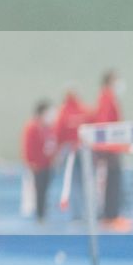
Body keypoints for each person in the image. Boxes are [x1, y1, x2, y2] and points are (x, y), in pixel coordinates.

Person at [89, 70, 131, 230]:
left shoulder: (108, 98)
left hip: (112, 147)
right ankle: (110, 216)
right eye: (116, 80)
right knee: (112, 182)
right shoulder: (106, 98)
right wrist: (108, 147)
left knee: (113, 182)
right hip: (109, 149)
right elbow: (105, 123)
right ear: (109, 82)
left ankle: (111, 215)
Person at [54, 90, 87, 218]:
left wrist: (58, 153)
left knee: (73, 183)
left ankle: (77, 214)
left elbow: (58, 133)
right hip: (84, 149)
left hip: (70, 151)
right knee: (85, 182)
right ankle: (86, 212)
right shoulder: (84, 110)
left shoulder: (63, 112)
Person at [23, 101, 57, 223]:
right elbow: (28, 146)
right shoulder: (32, 127)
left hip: (48, 164)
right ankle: (39, 215)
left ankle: (44, 213)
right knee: (40, 190)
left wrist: (53, 159)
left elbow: (52, 144)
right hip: (37, 165)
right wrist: (31, 162)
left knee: (45, 189)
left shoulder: (49, 127)